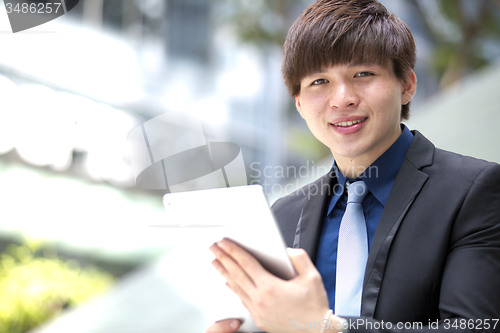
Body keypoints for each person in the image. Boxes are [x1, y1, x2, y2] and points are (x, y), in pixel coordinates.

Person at [206, 0, 500, 332]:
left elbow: (477, 327)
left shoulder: (476, 190)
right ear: (299, 104)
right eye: (319, 81)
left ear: (407, 85)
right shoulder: (283, 215)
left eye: (363, 74)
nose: (343, 98)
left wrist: (323, 327)